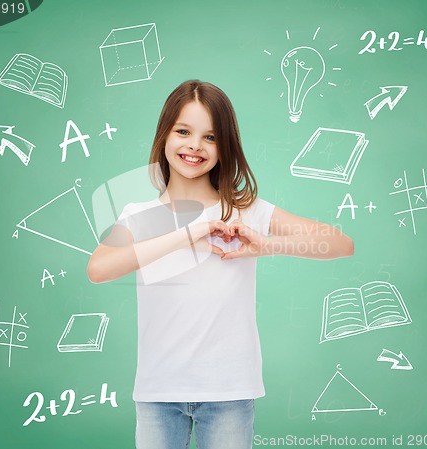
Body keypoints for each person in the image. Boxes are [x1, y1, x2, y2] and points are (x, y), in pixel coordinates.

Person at [87, 80, 354, 449]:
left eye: (210, 137)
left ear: (224, 147)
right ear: (164, 135)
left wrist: (267, 245)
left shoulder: (246, 210)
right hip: (158, 391)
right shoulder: (139, 215)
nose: (194, 145)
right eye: (183, 131)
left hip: (229, 390)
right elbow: (99, 270)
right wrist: (189, 232)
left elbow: (340, 243)